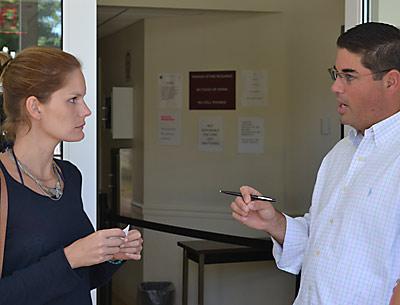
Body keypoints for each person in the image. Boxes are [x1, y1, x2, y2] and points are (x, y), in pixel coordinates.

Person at [231, 22, 400, 305]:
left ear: (391, 81)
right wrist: (276, 223)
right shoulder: (341, 153)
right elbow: (323, 242)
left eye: (349, 76)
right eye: (336, 74)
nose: (335, 87)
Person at [0, 46, 143, 305]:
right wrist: (71, 257)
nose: (87, 111)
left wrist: (112, 255)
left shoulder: (70, 176)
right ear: (35, 107)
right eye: (73, 99)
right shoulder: (2, 182)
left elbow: (82, 280)